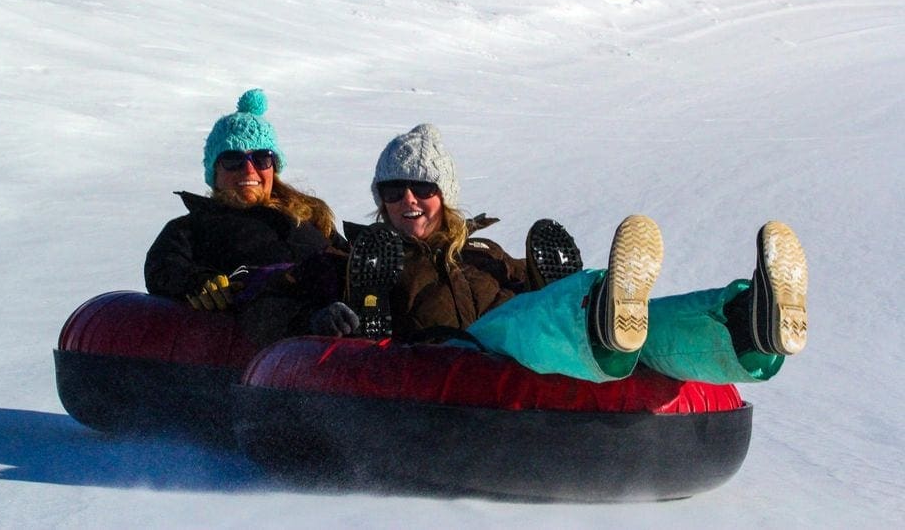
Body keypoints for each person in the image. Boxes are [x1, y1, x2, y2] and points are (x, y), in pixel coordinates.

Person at [327, 123, 808, 386]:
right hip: (454, 358)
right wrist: (329, 314)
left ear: (444, 193)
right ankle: (589, 313)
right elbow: (294, 296)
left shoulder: (484, 252)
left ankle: (746, 327)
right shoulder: (367, 255)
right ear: (380, 199)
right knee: (529, 322)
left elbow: (525, 287)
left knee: (637, 325)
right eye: (393, 191)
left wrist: (543, 281)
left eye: (421, 188)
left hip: (522, 357)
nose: (407, 200)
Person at [144, 88, 353, 344]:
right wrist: (198, 282)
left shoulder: (309, 215)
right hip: (276, 326)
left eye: (262, 158)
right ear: (215, 172)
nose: (249, 169)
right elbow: (164, 266)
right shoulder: (194, 226)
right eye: (233, 160)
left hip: (342, 305)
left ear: (273, 167)